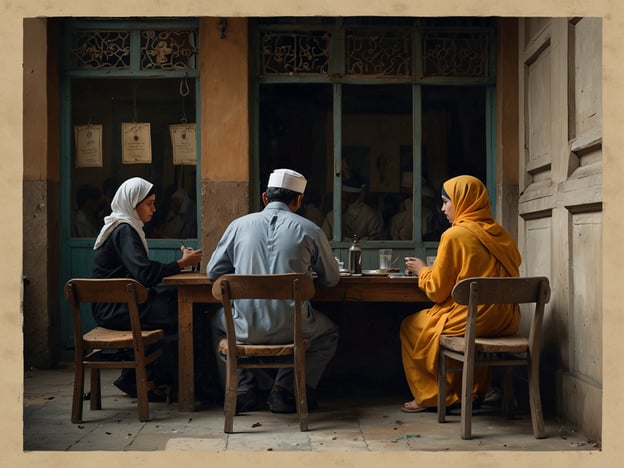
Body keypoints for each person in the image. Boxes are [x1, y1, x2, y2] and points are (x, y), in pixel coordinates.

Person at [207, 168, 340, 414]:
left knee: (217, 322)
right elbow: (331, 280)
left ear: (265, 197)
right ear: (298, 200)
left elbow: (214, 273)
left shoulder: (237, 226)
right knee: (328, 333)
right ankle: (286, 389)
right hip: (293, 329)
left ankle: (242, 389)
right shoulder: (310, 230)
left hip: (244, 328)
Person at [399, 174, 522, 413]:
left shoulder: (455, 235)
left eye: (447, 201)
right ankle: (473, 391)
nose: (443, 208)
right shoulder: (503, 235)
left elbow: (436, 291)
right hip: (506, 321)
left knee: (410, 325)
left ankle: (432, 395)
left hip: (473, 321)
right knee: (464, 322)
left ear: (464, 201)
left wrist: (423, 270)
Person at [91, 177, 204, 401]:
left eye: (154, 203)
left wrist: (179, 265)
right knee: (188, 313)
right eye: (149, 204)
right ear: (133, 204)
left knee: (177, 301)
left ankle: (143, 378)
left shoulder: (124, 227)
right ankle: (184, 386)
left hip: (122, 305)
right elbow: (144, 273)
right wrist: (181, 264)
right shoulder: (124, 230)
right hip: (118, 309)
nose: (154, 208)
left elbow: (142, 273)